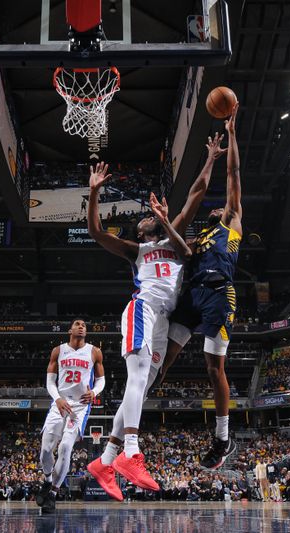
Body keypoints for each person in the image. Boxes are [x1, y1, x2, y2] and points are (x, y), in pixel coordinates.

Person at [85, 162, 192, 501]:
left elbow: (194, 197)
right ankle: (130, 452)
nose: (148, 216)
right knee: (138, 377)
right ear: (140, 232)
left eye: (153, 217)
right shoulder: (138, 250)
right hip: (142, 309)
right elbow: (97, 233)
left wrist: (210, 159)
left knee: (143, 388)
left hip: (163, 320)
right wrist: (94, 193)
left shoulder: (174, 241)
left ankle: (103, 462)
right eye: (144, 219)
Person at [158, 103, 241, 469]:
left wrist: (231, 138)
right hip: (193, 293)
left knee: (212, 368)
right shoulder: (200, 236)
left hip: (220, 294)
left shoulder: (231, 223)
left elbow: (234, 174)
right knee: (166, 354)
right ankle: (139, 396)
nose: (214, 209)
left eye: (218, 208)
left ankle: (222, 439)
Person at [37, 319, 105, 514]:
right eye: (77, 324)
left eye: (84, 324)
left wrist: (95, 392)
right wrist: (57, 399)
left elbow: (101, 380)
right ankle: (48, 480)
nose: (81, 326)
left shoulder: (94, 351)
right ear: (70, 330)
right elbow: (50, 381)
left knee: (66, 447)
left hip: (80, 406)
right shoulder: (58, 350)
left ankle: (53, 494)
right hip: (60, 403)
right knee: (45, 451)